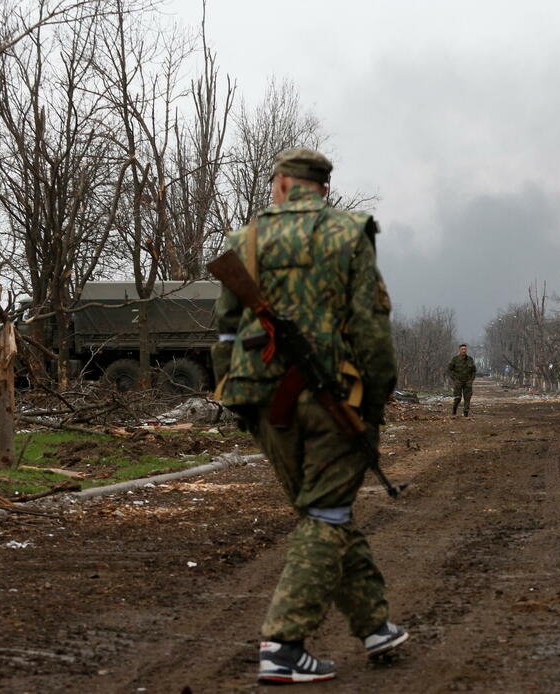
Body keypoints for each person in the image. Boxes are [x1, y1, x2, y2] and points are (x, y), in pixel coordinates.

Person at [210, 147, 407, 685]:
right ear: (323, 188)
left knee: (322, 510)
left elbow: (226, 330)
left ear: (280, 185)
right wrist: (374, 403)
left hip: (261, 401)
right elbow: (370, 328)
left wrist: (235, 394)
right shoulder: (349, 233)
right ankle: (285, 644)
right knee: (328, 514)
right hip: (330, 399)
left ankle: (375, 626)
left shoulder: (245, 240)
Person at [447, 343, 476, 416]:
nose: (464, 351)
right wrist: (454, 379)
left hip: (467, 382)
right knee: (458, 398)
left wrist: (471, 380)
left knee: (467, 398)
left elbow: (474, 370)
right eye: (462, 349)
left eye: (465, 349)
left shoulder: (470, 359)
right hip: (458, 382)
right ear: (459, 350)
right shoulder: (455, 359)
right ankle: (454, 409)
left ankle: (466, 412)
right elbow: (449, 370)